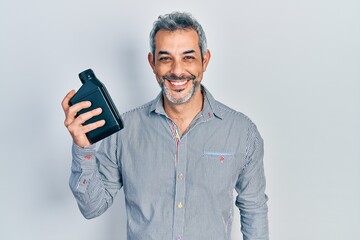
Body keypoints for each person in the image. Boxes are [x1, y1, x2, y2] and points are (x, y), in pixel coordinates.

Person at [62, 11, 269, 240]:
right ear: (152, 63)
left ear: (205, 60)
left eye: (188, 57)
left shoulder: (241, 132)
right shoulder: (125, 131)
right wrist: (83, 148)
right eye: (165, 58)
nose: (177, 70)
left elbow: (254, 210)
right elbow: (92, 207)